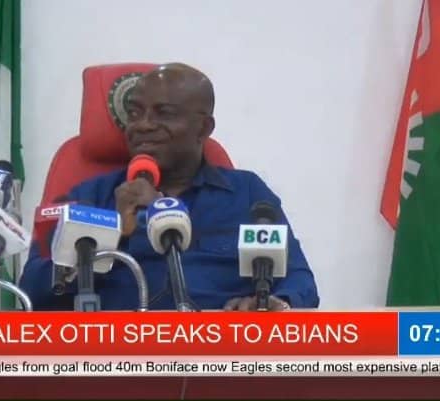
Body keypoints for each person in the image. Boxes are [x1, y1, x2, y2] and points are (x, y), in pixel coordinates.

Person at [20, 63, 319, 311]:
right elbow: (32, 290)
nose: (143, 125)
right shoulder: (88, 197)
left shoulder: (247, 194)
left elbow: (299, 281)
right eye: (134, 113)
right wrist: (113, 237)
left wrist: (276, 304)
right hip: (115, 354)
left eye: (163, 113)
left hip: (222, 353)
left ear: (203, 128)